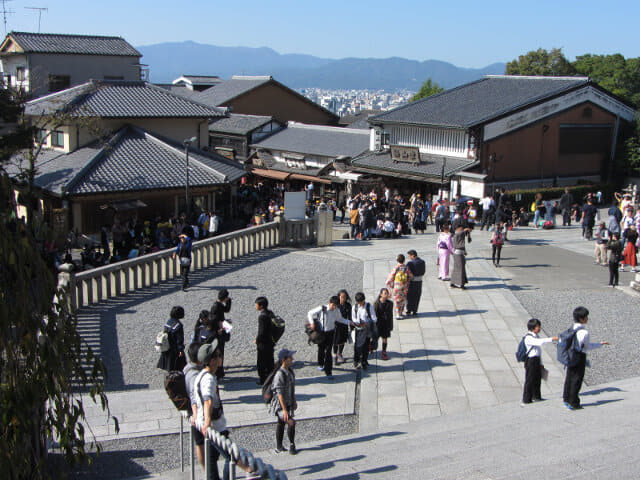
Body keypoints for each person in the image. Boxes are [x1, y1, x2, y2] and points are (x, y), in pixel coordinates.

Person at [562, 307, 609, 410]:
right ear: (582, 318)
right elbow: (587, 347)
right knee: (577, 379)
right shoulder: (584, 332)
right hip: (579, 356)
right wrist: (600, 344)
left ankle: (566, 399)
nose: (587, 318)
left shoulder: (571, 328)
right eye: (586, 316)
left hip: (569, 355)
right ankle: (574, 402)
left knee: (569, 377)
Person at [195, 341, 228, 480]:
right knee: (231, 455)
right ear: (212, 360)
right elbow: (207, 400)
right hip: (214, 426)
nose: (221, 357)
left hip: (209, 424)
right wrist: (207, 421)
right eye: (219, 355)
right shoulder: (208, 378)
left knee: (212, 459)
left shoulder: (202, 374)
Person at [521, 319, 557, 405]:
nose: (539, 328)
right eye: (538, 326)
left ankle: (536, 396)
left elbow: (539, 351)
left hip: (536, 360)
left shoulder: (536, 336)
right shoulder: (528, 338)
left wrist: (541, 363)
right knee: (529, 379)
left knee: (537, 379)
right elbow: (540, 343)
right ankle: (526, 398)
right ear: (532, 328)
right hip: (530, 360)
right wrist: (552, 339)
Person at [270, 348, 298, 455]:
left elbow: (292, 388)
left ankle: (279, 446)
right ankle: (292, 444)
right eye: (290, 357)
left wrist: (294, 400)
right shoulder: (279, 375)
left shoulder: (290, 372)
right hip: (280, 405)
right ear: (284, 360)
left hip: (288, 403)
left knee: (281, 423)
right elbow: (279, 394)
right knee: (291, 422)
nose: (292, 359)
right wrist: (285, 410)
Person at [307, 296, 341, 379]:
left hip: (331, 332)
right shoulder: (322, 308)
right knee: (321, 349)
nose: (334, 307)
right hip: (321, 333)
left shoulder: (337, 310)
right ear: (329, 303)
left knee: (329, 351)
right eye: (333, 305)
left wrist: (349, 322)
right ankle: (320, 363)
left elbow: (340, 319)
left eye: (336, 306)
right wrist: (312, 323)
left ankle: (328, 371)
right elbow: (310, 313)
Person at [184, 342, 205, 468]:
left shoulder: (187, 368)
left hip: (196, 414)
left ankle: (208, 472)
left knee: (201, 444)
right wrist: (196, 414)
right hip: (198, 415)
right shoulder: (194, 374)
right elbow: (193, 395)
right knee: (201, 444)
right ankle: (207, 471)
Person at [351, 292, 377, 370]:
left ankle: (364, 361)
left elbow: (374, 318)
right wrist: (358, 322)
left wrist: (367, 322)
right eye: (359, 302)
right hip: (358, 329)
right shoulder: (354, 307)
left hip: (367, 329)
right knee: (357, 346)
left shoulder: (369, 307)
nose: (360, 304)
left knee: (366, 346)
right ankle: (356, 360)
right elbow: (353, 318)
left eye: (361, 302)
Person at [210, 289, 232, 379]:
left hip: (221, 327)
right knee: (220, 350)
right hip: (218, 331)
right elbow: (214, 320)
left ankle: (220, 369)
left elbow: (226, 309)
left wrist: (229, 302)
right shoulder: (216, 306)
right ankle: (219, 370)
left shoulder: (218, 304)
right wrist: (219, 327)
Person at [157, 306, 186, 372]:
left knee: (169, 367)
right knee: (179, 367)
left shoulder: (168, 322)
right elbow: (179, 339)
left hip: (167, 347)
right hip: (174, 349)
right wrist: (180, 350)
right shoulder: (178, 325)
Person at [386, 254, 413, 320]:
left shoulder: (396, 268)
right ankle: (401, 313)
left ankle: (397, 314)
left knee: (397, 300)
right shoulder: (406, 268)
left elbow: (391, 277)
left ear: (397, 260)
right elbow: (411, 276)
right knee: (403, 299)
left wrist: (390, 284)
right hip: (404, 286)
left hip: (397, 286)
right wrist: (407, 282)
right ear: (404, 260)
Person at [255, 296, 275, 385]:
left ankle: (263, 379)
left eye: (256, 304)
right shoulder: (270, 313)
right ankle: (271, 378)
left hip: (263, 343)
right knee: (270, 361)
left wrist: (257, 340)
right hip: (270, 341)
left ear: (261, 306)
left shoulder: (262, 317)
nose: (255, 306)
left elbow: (261, 331)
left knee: (261, 361)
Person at [374, 288, 393, 361]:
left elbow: (390, 315)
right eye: (384, 293)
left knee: (385, 339)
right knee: (376, 338)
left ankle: (384, 351)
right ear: (381, 294)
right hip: (378, 324)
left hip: (386, 324)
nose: (386, 295)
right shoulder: (376, 303)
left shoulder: (390, 303)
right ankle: (372, 346)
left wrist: (390, 326)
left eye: (387, 293)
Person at [333, 290, 352, 365]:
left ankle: (339, 353)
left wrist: (351, 327)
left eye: (345, 297)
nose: (343, 299)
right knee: (335, 341)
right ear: (339, 297)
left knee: (342, 341)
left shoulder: (348, 305)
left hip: (344, 326)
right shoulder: (336, 305)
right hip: (336, 326)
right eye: (342, 297)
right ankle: (334, 354)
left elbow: (350, 316)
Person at [450, 225, 471, 289]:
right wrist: (465, 229)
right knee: (460, 269)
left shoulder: (461, 235)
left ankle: (453, 283)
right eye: (461, 229)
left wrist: (464, 251)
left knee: (458, 268)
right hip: (457, 253)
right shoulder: (457, 234)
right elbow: (460, 233)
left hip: (460, 252)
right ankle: (461, 284)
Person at [406, 249, 425, 316]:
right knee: (417, 296)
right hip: (419, 281)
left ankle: (408, 310)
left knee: (410, 296)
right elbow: (423, 272)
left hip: (412, 282)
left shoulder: (410, 263)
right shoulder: (422, 262)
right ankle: (415, 310)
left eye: (410, 256)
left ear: (413, 255)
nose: (409, 258)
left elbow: (407, 273)